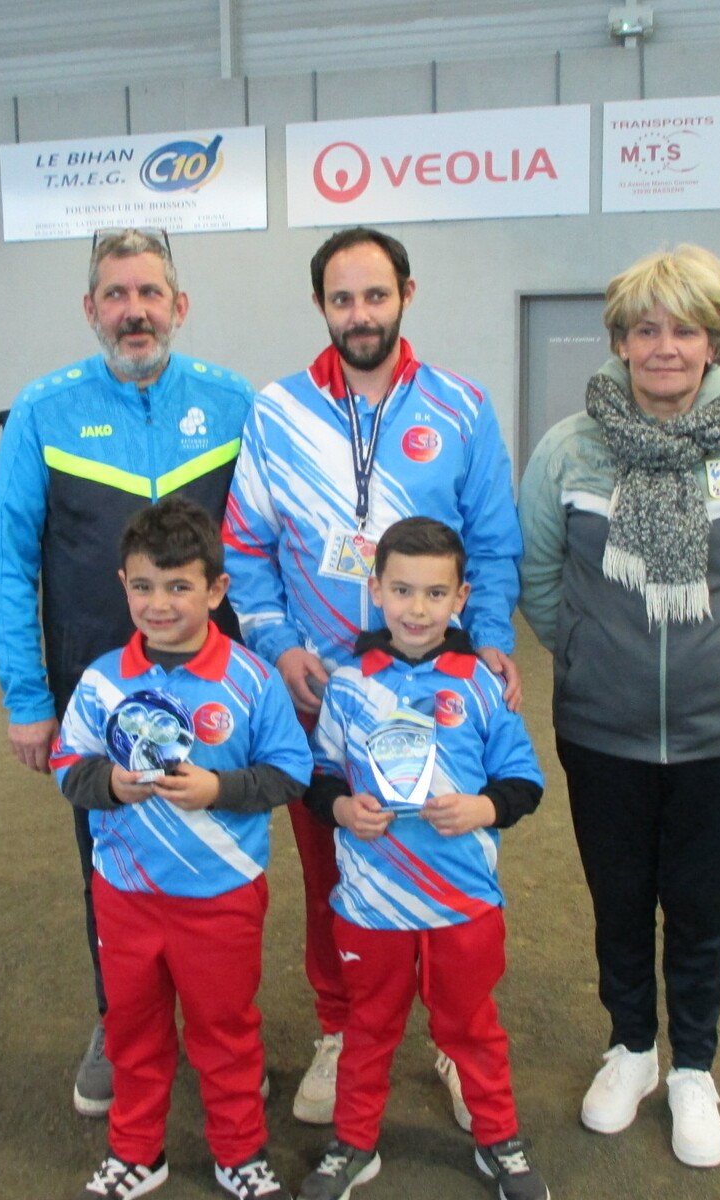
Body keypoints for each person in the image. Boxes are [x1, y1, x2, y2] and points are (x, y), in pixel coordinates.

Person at [516, 244, 720, 1169]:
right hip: (601, 729)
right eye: (645, 330)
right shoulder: (569, 451)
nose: (665, 348)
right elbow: (538, 580)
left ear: (714, 342)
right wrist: (590, 654)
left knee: (700, 908)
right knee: (618, 900)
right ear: (619, 341)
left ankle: (693, 1068)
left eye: (685, 330)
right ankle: (632, 1049)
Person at [223, 227, 524, 1126]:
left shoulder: (462, 406)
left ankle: (456, 1035)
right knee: (336, 866)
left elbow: (494, 543)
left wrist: (490, 641)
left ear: (407, 295)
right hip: (324, 695)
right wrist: (280, 647)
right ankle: (340, 1027)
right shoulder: (277, 412)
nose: (360, 315)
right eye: (342, 299)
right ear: (321, 305)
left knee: (448, 854)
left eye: (376, 296)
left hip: (440, 691)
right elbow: (245, 549)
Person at [0, 227, 253, 1117]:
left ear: (180, 305)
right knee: (111, 865)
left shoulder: (233, 404)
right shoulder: (43, 411)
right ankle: (121, 1021)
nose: (134, 311)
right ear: (90, 309)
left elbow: (267, 543)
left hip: (219, 690)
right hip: (94, 695)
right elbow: (7, 561)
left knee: (222, 857)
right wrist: (29, 697)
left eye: (149, 293)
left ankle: (221, 1029)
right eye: (116, 294)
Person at [51, 497, 309, 1200]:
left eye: (178, 586)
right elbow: (68, 766)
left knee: (225, 1032)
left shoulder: (251, 679)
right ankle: (137, 1152)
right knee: (132, 1030)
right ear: (122, 585)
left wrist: (219, 788)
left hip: (221, 895)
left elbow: (291, 772)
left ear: (217, 589)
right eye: (142, 586)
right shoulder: (103, 680)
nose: (159, 604)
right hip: (126, 894)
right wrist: (110, 783)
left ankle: (239, 1153)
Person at [298, 517, 548, 1200]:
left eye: (436, 594)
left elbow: (524, 782)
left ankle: (498, 1140)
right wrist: (342, 809)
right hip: (371, 907)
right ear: (376, 590)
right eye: (402, 590)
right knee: (367, 1030)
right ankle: (354, 1144)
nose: (417, 609)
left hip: (462, 905)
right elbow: (318, 778)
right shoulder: (348, 685)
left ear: (461, 597)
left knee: (472, 1029)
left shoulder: (482, 684)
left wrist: (481, 808)